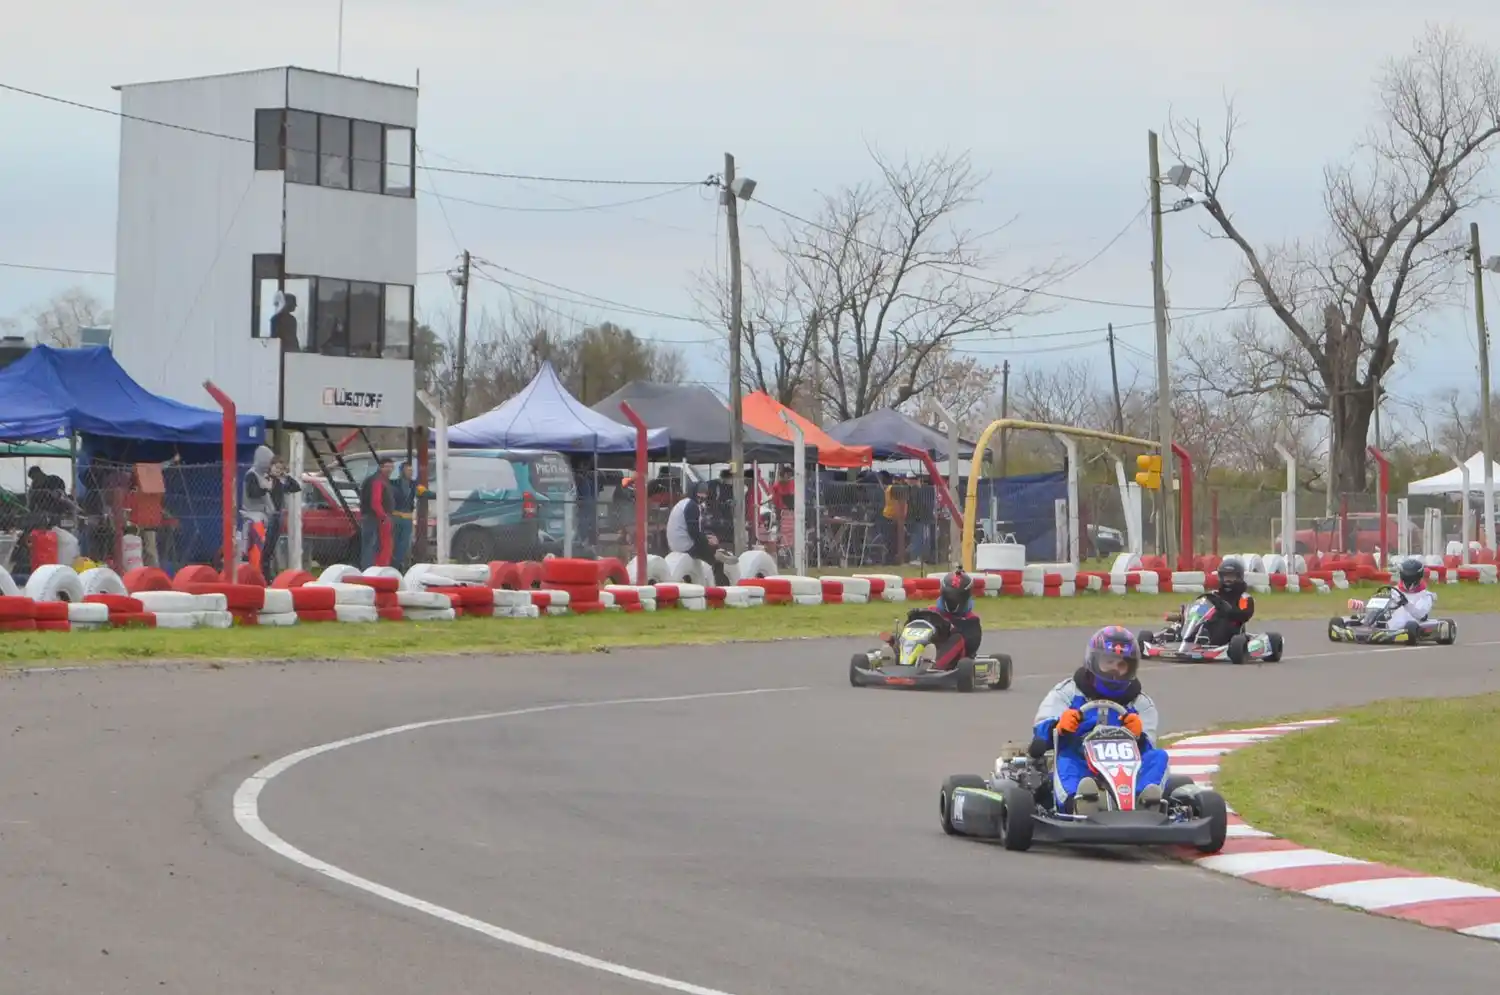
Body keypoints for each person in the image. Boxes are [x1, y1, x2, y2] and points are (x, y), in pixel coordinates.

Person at [1030, 626, 1169, 815]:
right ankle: (1079, 803)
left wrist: (1140, 736)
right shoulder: (1068, 692)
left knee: (1159, 757)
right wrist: (1058, 726)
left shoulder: (1141, 703)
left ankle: (1144, 803)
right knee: (1065, 760)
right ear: (1094, 662)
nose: (1115, 671)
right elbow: (1039, 734)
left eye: (1122, 665)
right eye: (1109, 662)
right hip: (1080, 759)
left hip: (1127, 769)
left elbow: (1148, 747)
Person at [885, 568, 982, 669]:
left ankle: (932, 666)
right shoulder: (932, 611)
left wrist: (950, 629)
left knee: (957, 638)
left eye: (956, 596)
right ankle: (894, 658)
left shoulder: (971, 620)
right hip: (924, 650)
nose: (952, 599)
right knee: (902, 635)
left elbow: (971, 646)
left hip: (953, 661)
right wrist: (913, 619)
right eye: (949, 596)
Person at [666, 481, 732, 585]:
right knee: (717, 556)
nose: (702, 497)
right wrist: (708, 542)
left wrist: (706, 538)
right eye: (700, 495)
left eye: (704, 494)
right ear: (695, 492)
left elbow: (694, 530)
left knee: (710, 545)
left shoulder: (683, 503)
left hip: (676, 543)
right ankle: (719, 587)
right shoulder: (692, 506)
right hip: (686, 546)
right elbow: (694, 534)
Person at [1201, 558, 1255, 647]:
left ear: (1239, 577)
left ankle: (1211, 641)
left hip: (1233, 630)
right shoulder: (1214, 595)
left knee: (1222, 623)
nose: (1227, 580)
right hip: (1211, 624)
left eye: (1231, 577)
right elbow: (1204, 606)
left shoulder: (1244, 597)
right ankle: (1184, 638)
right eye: (1225, 576)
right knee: (1201, 623)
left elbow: (1244, 615)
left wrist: (1226, 610)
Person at [358, 458, 395, 568]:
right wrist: (383, 517)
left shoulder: (377, 479)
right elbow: (375, 502)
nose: (389, 469)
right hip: (374, 517)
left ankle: (370, 569)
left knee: (372, 545)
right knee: (372, 545)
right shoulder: (378, 481)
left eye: (391, 467)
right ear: (380, 467)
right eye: (387, 467)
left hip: (373, 516)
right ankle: (369, 570)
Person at [1386, 556, 1435, 630]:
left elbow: (1420, 614)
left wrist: (1405, 603)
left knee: (1409, 625)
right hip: (1389, 622)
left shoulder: (1426, 595)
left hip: (1409, 626)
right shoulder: (1394, 590)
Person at [390, 460, 416, 570]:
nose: (410, 472)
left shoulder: (414, 484)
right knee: (394, 543)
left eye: (411, 470)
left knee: (404, 544)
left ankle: (400, 565)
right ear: (402, 471)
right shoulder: (393, 484)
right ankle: (394, 565)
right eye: (408, 470)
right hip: (396, 517)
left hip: (407, 518)